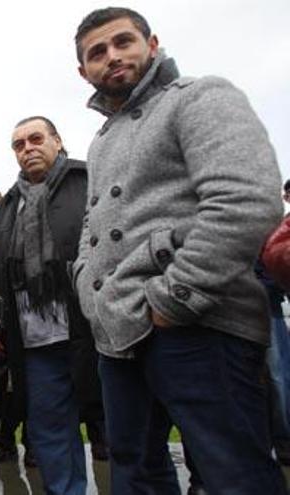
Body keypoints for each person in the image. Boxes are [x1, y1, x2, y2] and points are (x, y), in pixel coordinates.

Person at [72, 7, 286, 493]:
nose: (112, 57)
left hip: (199, 326)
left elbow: (246, 202)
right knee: (135, 471)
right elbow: (92, 228)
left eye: (123, 42)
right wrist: (88, 284)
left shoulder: (202, 95)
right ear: (83, 71)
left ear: (152, 44)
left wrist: (177, 297)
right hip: (118, 335)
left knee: (231, 473)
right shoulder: (101, 141)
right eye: (97, 53)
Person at [0, 116, 101, 494]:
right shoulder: (7, 206)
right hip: (34, 341)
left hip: (94, 329)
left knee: (119, 427)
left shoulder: (87, 181)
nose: (28, 148)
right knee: (50, 429)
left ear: (57, 141)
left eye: (36, 139)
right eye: (19, 144)